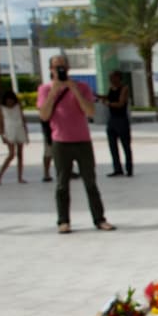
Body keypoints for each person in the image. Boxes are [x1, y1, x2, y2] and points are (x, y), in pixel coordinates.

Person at [37, 54, 115, 234]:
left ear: (69, 68)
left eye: (63, 67)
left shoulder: (82, 87)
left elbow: (90, 111)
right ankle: (63, 221)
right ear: (51, 70)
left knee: (90, 182)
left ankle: (99, 219)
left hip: (82, 141)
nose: (60, 70)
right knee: (62, 184)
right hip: (60, 142)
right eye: (57, 67)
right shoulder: (45, 89)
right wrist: (54, 91)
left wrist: (74, 91)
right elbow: (44, 115)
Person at [0, 88, 28, 185]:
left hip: (19, 129)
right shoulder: (0, 108)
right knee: (11, 154)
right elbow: (0, 123)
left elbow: (23, 119)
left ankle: (20, 177)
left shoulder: (18, 106)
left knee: (20, 155)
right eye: (8, 100)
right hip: (9, 131)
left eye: (11, 100)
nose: (10, 102)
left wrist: (26, 133)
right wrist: (2, 136)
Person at [104, 70, 133, 177]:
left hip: (121, 119)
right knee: (112, 146)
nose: (111, 80)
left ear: (118, 78)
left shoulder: (124, 88)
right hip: (112, 119)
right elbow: (107, 98)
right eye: (110, 78)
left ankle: (129, 169)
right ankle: (117, 168)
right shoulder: (110, 89)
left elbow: (121, 103)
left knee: (126, 145)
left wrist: (109, 103)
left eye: (113, 77)